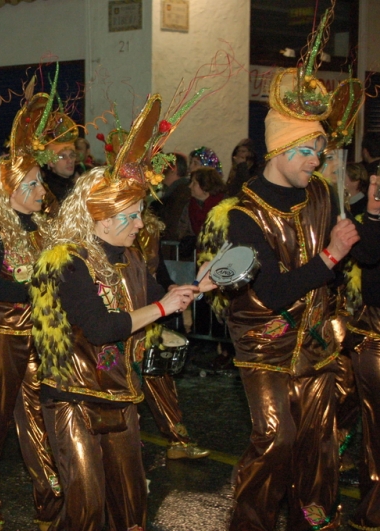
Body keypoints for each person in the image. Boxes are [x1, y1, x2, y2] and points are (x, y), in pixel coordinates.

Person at [197, 27, 380, 528]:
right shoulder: (241, 215)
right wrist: (330, 256)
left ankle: (313, 523)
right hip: (265, 344)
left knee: (319, 449)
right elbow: (272, 291)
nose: (317, 162)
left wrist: (370, 223)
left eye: (320, 152)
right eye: (308, 152)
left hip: (318, 342)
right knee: (276, 440)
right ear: (280, 151)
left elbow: (362, 255)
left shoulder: (321, 192)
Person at [30, 95, 213, 531]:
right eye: (131, 216)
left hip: (121, 398)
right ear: (103, 217)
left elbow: (158, 300)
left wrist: (195, 289)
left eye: (139, 214)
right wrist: (162, 305)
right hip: (74, 399)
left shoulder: (131, 258)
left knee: (131, 508)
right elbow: (99, 328)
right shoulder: (66, 260)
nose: (139, 224)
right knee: (87, 507)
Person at [0, 90, 75, 531]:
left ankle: (50, 503)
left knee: (41, 420)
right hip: (2, 339)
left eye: (40, 183)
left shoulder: (44, 229)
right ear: (9, 191)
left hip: (38, 340)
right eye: (33, 185)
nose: (42, 191)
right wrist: (37, 290)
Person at [343, 174, 380, 529]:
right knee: (375, 425)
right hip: (375, 329)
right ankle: (374, 509)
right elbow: (368, 255)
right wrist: (371, 211)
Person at [153, 152, 190, 242]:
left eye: (161, 166)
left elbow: (172, 227)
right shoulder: (176, 192)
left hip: (175, 251)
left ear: (173, 168)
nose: (157, 171)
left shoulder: (181, 194)